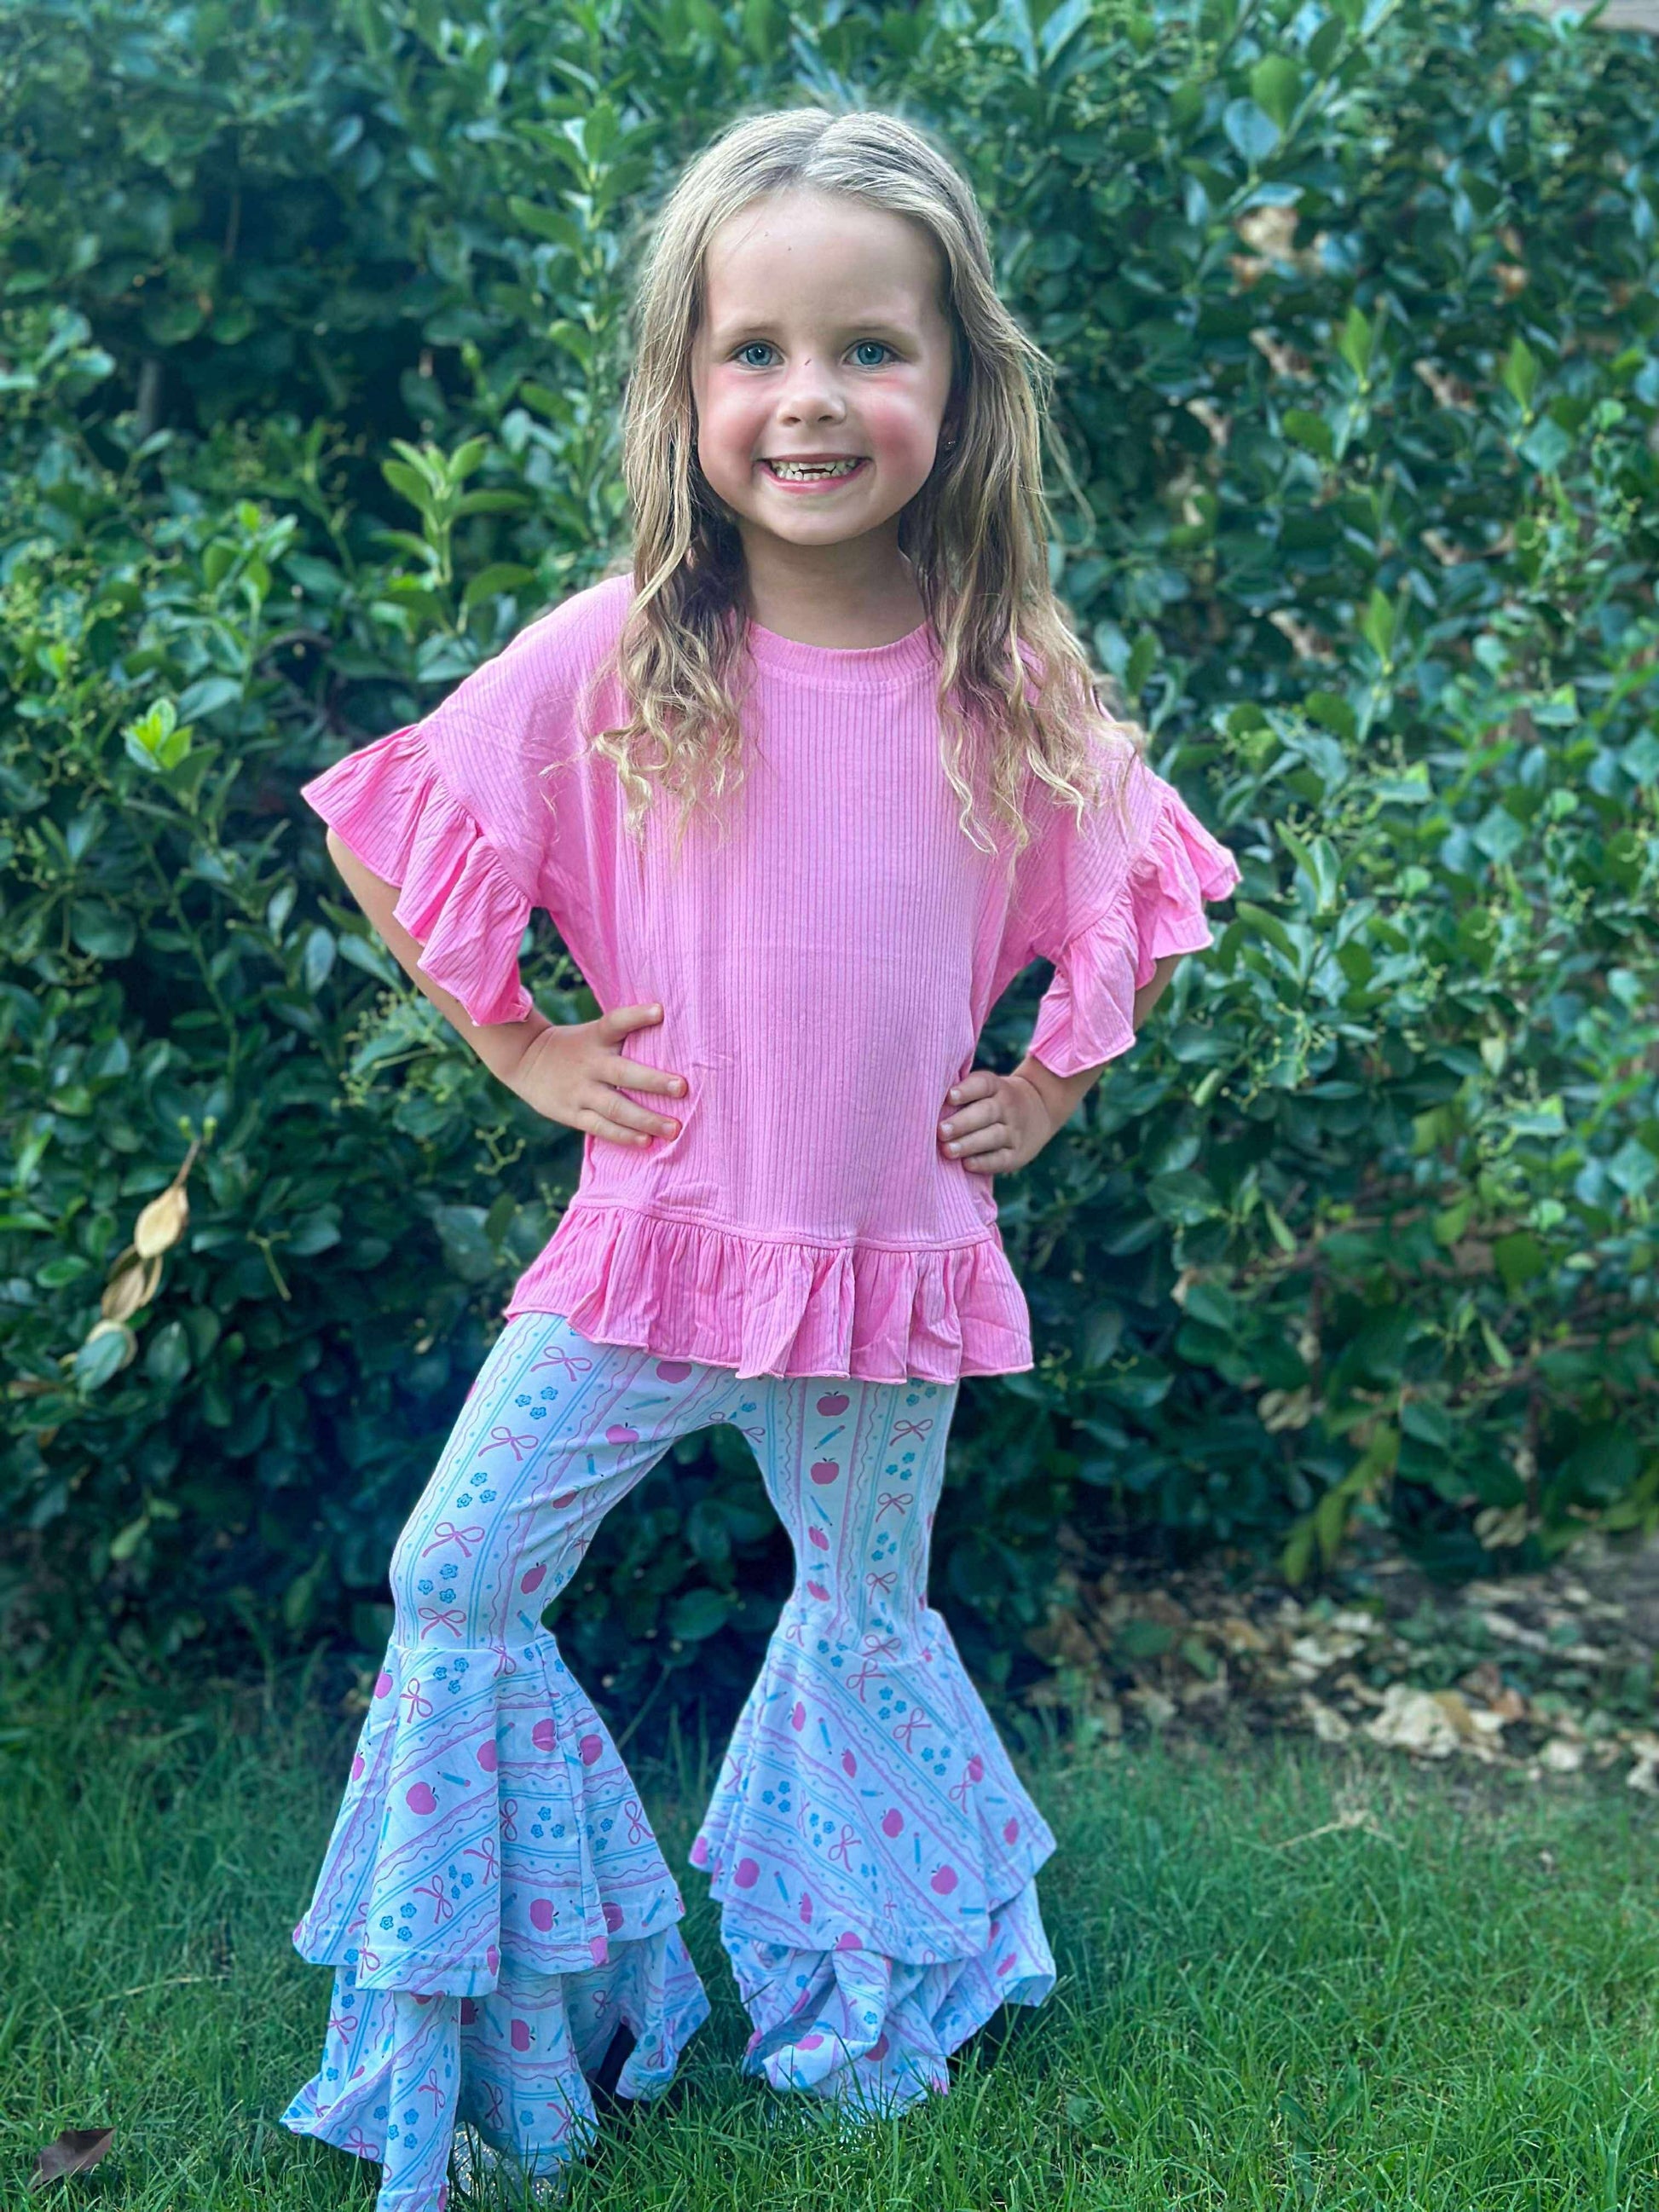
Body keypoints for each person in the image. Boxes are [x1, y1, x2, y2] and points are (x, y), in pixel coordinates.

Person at [280, 103, 1242, 2212]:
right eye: (757, 350)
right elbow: (396, 829)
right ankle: (529, 2017)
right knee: (455, 1574)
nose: (811, 398)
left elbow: (1139, 887)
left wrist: (1047, 1086)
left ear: (959, 382)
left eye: (869, 349)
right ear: (685, 381)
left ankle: (870, 2010)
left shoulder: (1007, 678)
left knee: (862, 1609)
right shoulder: (617, 648)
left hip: (886, 1261)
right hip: (654, 1248)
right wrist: (520, 1043)